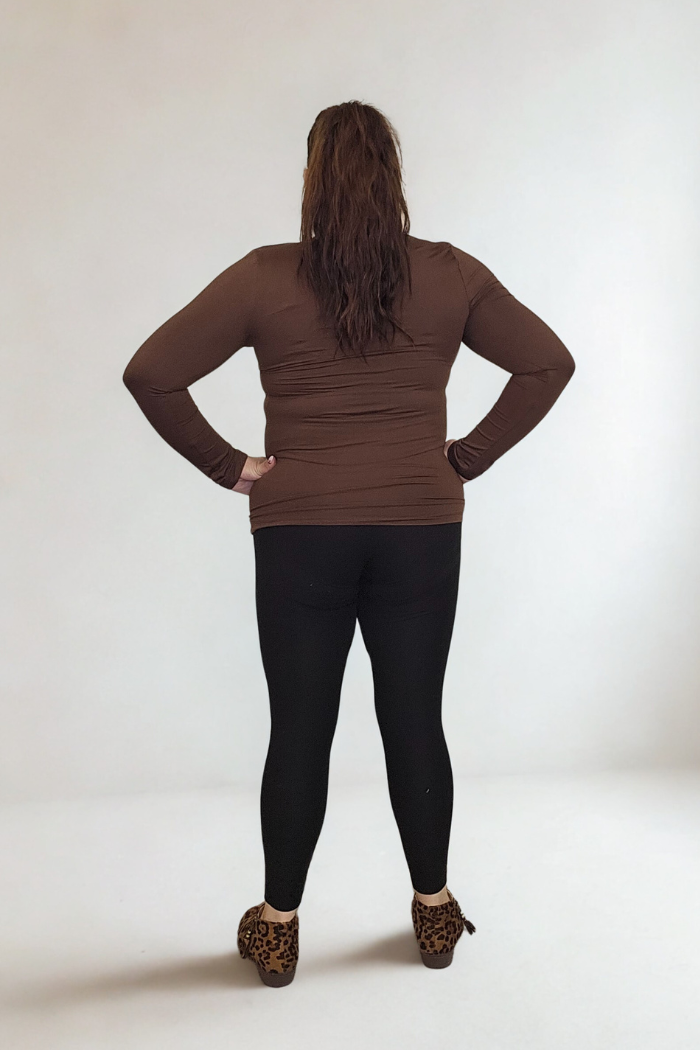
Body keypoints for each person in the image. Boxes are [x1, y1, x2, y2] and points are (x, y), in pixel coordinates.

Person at [122, 100, 575, 987]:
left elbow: (151, 373)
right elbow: (548, 362)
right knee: (415, 718)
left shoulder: (263, 275)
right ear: (393, 177)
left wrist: (232, 467)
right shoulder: (450, 273)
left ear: (313, 179)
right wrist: (464, 460)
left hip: (300, 535)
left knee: (300, 727)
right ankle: (434, 915)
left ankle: (278, 930)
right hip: (421, 532)